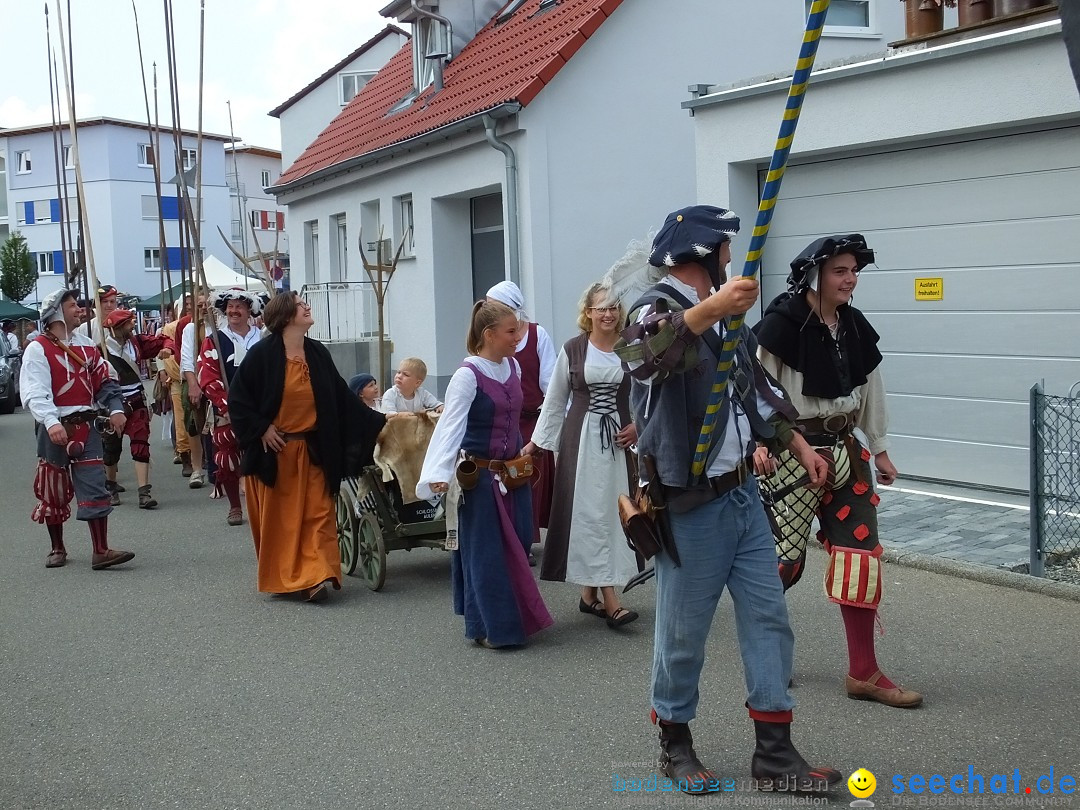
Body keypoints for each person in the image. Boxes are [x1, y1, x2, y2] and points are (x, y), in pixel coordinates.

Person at [613, 205, 839, 795]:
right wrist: (712, 308)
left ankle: (775, 751)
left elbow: (751, 389)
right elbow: (642, 358)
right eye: (724, 251)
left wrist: (795, 443)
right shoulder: (654, 308)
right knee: (683, 632)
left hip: (742, 497)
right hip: (689, 505)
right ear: (702, 253)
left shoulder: (724, 323)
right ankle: (675, 742)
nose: (730, 262)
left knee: (769, 616)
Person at [753, 234, 922, 710]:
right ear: (814, 274)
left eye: (853, 271)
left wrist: (881, 446)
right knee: (782, 563)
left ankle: (864, 672)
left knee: (859, 557)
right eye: (840, 271)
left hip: (848, 451)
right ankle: (768, 660)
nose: (850, 280)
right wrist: (759, 443)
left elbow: (871, 385)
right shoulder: (781, 325)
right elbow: (757, 391)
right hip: (793, 453)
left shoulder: (853, 324)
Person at [228, 292, 385, 602]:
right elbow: (239, 401)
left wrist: (382, 421)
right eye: (302, 305)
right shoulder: (262, 356)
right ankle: (289, 578)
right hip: (276, 455)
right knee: (285, 525)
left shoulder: (317, 353)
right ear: (287, 317)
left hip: (314, 452)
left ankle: (317, 575)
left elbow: (342, 398)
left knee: (319, 515)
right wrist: (261, 428)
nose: (308, 307)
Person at [416, 299, 553, 648]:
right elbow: (450, 427)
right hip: (479, 481)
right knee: (487, 554)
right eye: (511, 332)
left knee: (520, 543)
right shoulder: (466, 376)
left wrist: (529, 445)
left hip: (513, 477)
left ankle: (496, 620)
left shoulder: (513, 369)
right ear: (489, 334)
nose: (518, 338)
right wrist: (438, 473)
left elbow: (513, 419)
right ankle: (497, 629)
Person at [523, 282, 641, 628]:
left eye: (613, 307)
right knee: (589, 514)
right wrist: (536, 444)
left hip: (620, 444)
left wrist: (638, 426)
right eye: (600, 308)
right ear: (587, 312)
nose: (608, 313)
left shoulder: (629, 347)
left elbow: (646, 394)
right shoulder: (573, 349)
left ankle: (589, 595)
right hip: (582, 443)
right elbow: (557, 399)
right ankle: (611, 600)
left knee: (613, 511)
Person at [19, 289, 134, 570]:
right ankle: (57, 547)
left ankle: (101, 550)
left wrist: (117, 409)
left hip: (87, 425)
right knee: (53, 487)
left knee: (94, 483)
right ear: (57, 312)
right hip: (55, 428)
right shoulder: (38, 348)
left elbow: (105, 381)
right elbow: (35, 390)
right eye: (72, 306)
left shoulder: (86, 347)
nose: (80, 310)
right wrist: (51, 421)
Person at [485, 281, 556, 562]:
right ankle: (508, 539)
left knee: (529, 481)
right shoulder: (489, 337)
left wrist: (551, 424)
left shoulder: (539, 335)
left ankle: (523, 541)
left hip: (531, 421)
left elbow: (550, 381)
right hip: (503, 420)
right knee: (504, 479)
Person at [196, 288, 264, 526]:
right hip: (228, 409)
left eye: (239, 307)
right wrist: (227, 407)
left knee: (264, 456)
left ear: (249, 311)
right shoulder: (214, 339)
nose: (234, 311)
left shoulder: (264, 337)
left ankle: (263, 504)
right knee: (227, 458)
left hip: (261, 407)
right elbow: (207, 375)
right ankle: (235, 506)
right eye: (230, 307)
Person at [101, 309, 169, 508]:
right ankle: (111, 487)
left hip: (137, 399)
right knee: (111, 448)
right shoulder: (101, 350)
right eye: (128, 324)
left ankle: (143, 493)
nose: (132, 326)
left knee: (140, 444)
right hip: (113, 403)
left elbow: (163, 341)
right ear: (117, 328)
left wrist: (167, 348)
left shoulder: (137, 343)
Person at [178, 294, 210, 488]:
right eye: (200, 305)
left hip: (217, 381)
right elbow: (187, 358)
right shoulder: (191, 328)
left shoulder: (221, 326)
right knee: (193, 424)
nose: (204, 308)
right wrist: (193, 385)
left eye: (208, 304)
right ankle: (197, 469)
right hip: (195, 381)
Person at [158, 296, 192, 473]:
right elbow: (164, 348)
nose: (188, 307)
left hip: (198, 376)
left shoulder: (208, 325)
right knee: (180, 419)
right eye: (185, 305)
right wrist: (163, 371)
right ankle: (184, 454)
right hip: (177, 378)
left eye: (191, 304)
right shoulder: (171, 327)